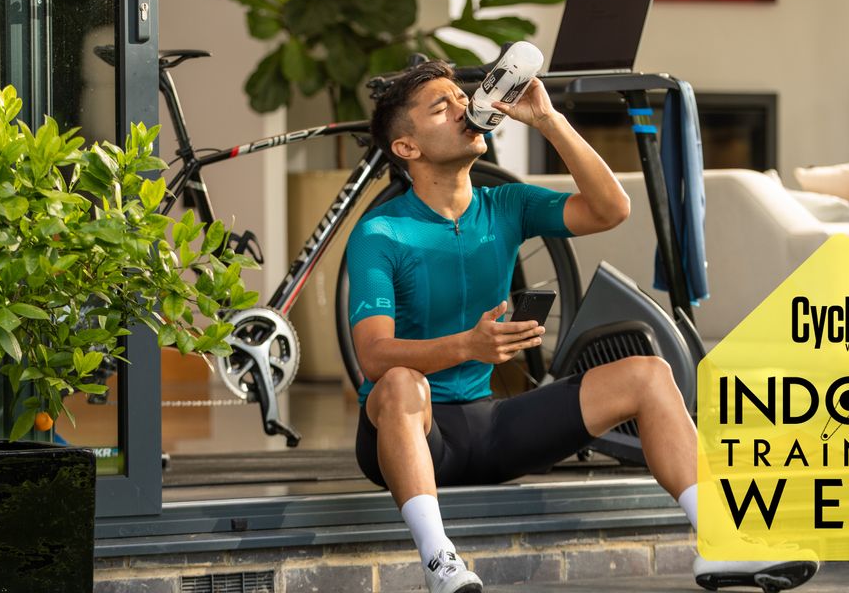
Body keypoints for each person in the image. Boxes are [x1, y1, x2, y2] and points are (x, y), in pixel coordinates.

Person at [345, 61, 818, 593]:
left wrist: (548, 120)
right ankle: (439, 563)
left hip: (488, 428)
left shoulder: (508, 205)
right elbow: (374, 356)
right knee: (400, 382)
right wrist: (467, 345)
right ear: (408, 148)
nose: (464, 108)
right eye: (442, 107)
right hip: (410, 432)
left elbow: (612, 208)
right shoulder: (380, 233)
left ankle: (720, 542)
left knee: (648, 373)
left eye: (462, 97)